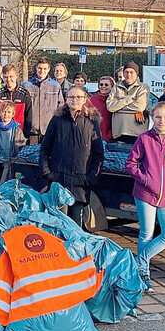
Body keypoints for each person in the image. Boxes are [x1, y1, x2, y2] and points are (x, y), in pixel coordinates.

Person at [126, 102, 165, 293]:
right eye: (158, 117)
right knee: (146, 233)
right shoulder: (144, 139)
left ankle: (138, 260)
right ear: (152, 118)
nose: (162, 121)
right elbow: (130, 163)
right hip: (145, 193)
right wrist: (145, 180)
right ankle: (143, 274)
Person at [39, 86, 104, 229]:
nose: (75, 100)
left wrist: (91, 178)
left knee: (75, 227)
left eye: (78, 97)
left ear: (84, 99)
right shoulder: (57, 120)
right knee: (57, 226)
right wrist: (48, 173)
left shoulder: (91, 122)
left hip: (80, 183)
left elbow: (98, 154)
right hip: (58, 180)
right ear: (66, 99)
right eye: (71, 97)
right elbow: (45, 148)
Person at [0, 100, 26, 182]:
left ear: (13, 114)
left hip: (10, 164)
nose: (6, 114)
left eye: (9, 112)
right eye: (4, 112)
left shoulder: (17, 130)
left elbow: (22, 148)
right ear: (0, 112)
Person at [106, 61, 149, 144]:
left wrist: (118, 106)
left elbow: (140, 107)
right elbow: (110, 107)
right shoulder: (116, 87)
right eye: (126, 72)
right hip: (119, 132)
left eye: (131, 72)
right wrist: (129, 100)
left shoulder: (143, 87)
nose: (128, 74)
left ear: (136, 74)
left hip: (136, 132)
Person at [24, 57, 64, 144]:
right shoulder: (27, 86)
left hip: (49, 129)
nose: (42, 71)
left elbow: (60, 107)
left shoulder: (55, 86)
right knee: (32, 156)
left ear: (49, 69)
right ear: (36, 68)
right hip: (32, 129)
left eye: (45, 68)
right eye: (40, 68)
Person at [0, 63, 32, 139]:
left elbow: (28, 116)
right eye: (6, 77)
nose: (8, 79)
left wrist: (25, 135)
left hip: (19, 134)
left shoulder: (24, 94)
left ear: (17, 76)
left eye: (11, 76)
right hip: (1, 134)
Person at [87, 76, 114, 142]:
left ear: (112, 86)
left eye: (106, 85)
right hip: (94, 137)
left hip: (111, 138)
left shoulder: (115, 101)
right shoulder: (91, 100)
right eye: (101, 84)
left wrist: (110, 135)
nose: (103, 86)